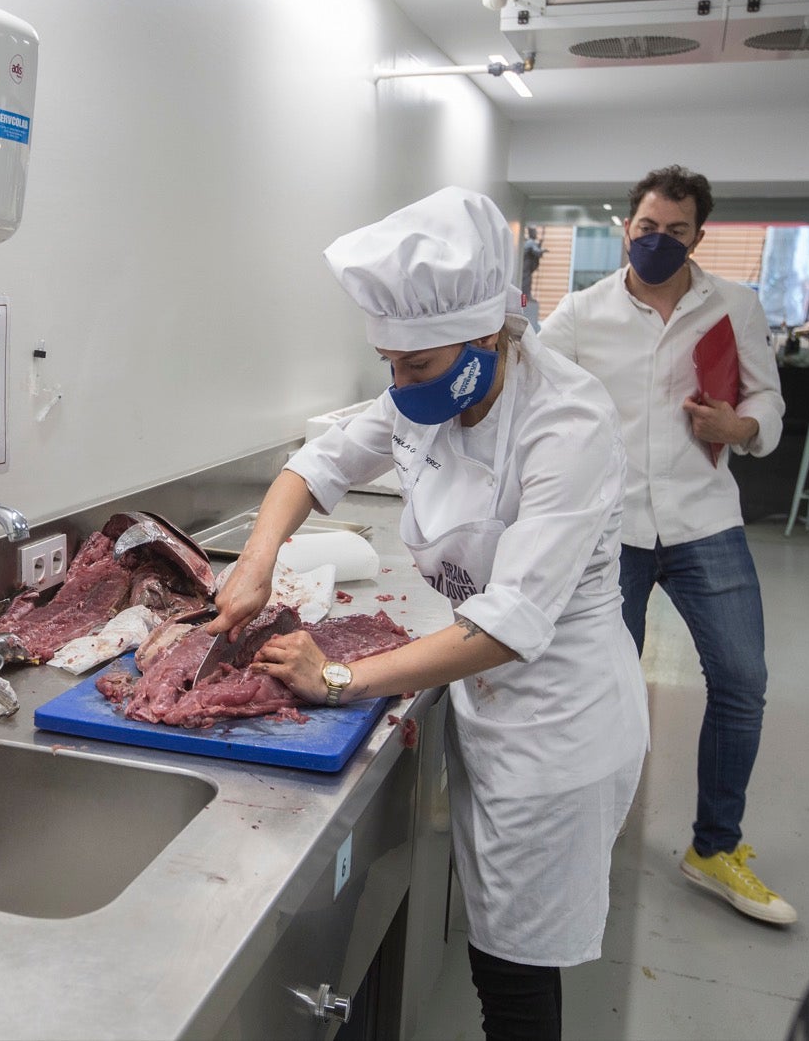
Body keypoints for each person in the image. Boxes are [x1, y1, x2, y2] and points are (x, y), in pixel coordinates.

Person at [210, 187, 649, 1041]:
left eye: (416, 366)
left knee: (517, 976)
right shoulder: (430, 388)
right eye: (390, 364)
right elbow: (319, 463)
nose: (400, 385)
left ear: (487, 334)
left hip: (559, 721)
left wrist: (339, 678)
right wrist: (258, 558)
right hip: (486, 699)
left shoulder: (568, 423)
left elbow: (510, 621)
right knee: (497, 945)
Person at [538, 164, 797, 926]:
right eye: (647, 227)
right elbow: (533, 393)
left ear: (699, 236)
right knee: (602, 688)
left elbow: (767, 396)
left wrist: (740, 426)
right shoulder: (581, 313)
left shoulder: (735, 305)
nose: (657, 241)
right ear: (627, 227)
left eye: (675, 231)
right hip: (611, 529)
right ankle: (588, 832)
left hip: (703, 518)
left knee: (742, 678)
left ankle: (715, 846)